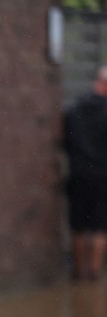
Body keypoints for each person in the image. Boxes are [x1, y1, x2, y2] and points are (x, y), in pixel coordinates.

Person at [64, 65, 107, 281]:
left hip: (78, 173)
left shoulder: (73, 109)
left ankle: (77, 272)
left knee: (77, 224)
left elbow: (65, 140)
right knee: (100, 225)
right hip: (102, 176)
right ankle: (94, 272)